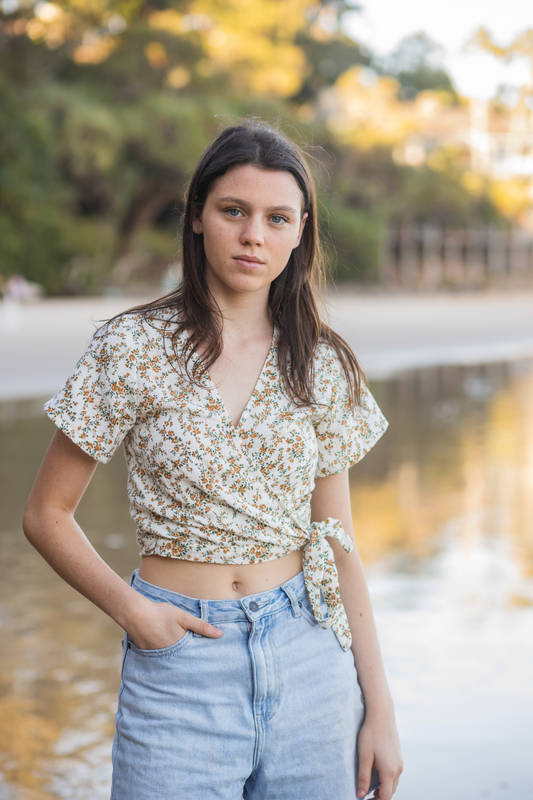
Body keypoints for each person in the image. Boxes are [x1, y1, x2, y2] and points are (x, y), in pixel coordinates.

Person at [23, 120, 403, 800]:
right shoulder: (131, 347)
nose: (253, 234)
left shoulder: (320, 362)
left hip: (310, 656)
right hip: (179, 663)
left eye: (275, 218)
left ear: (299, 232)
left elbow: (338, 543)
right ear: (197, 216)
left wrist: (379, 707)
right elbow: (46, 515)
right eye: (234, 211)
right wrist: (134, 612)